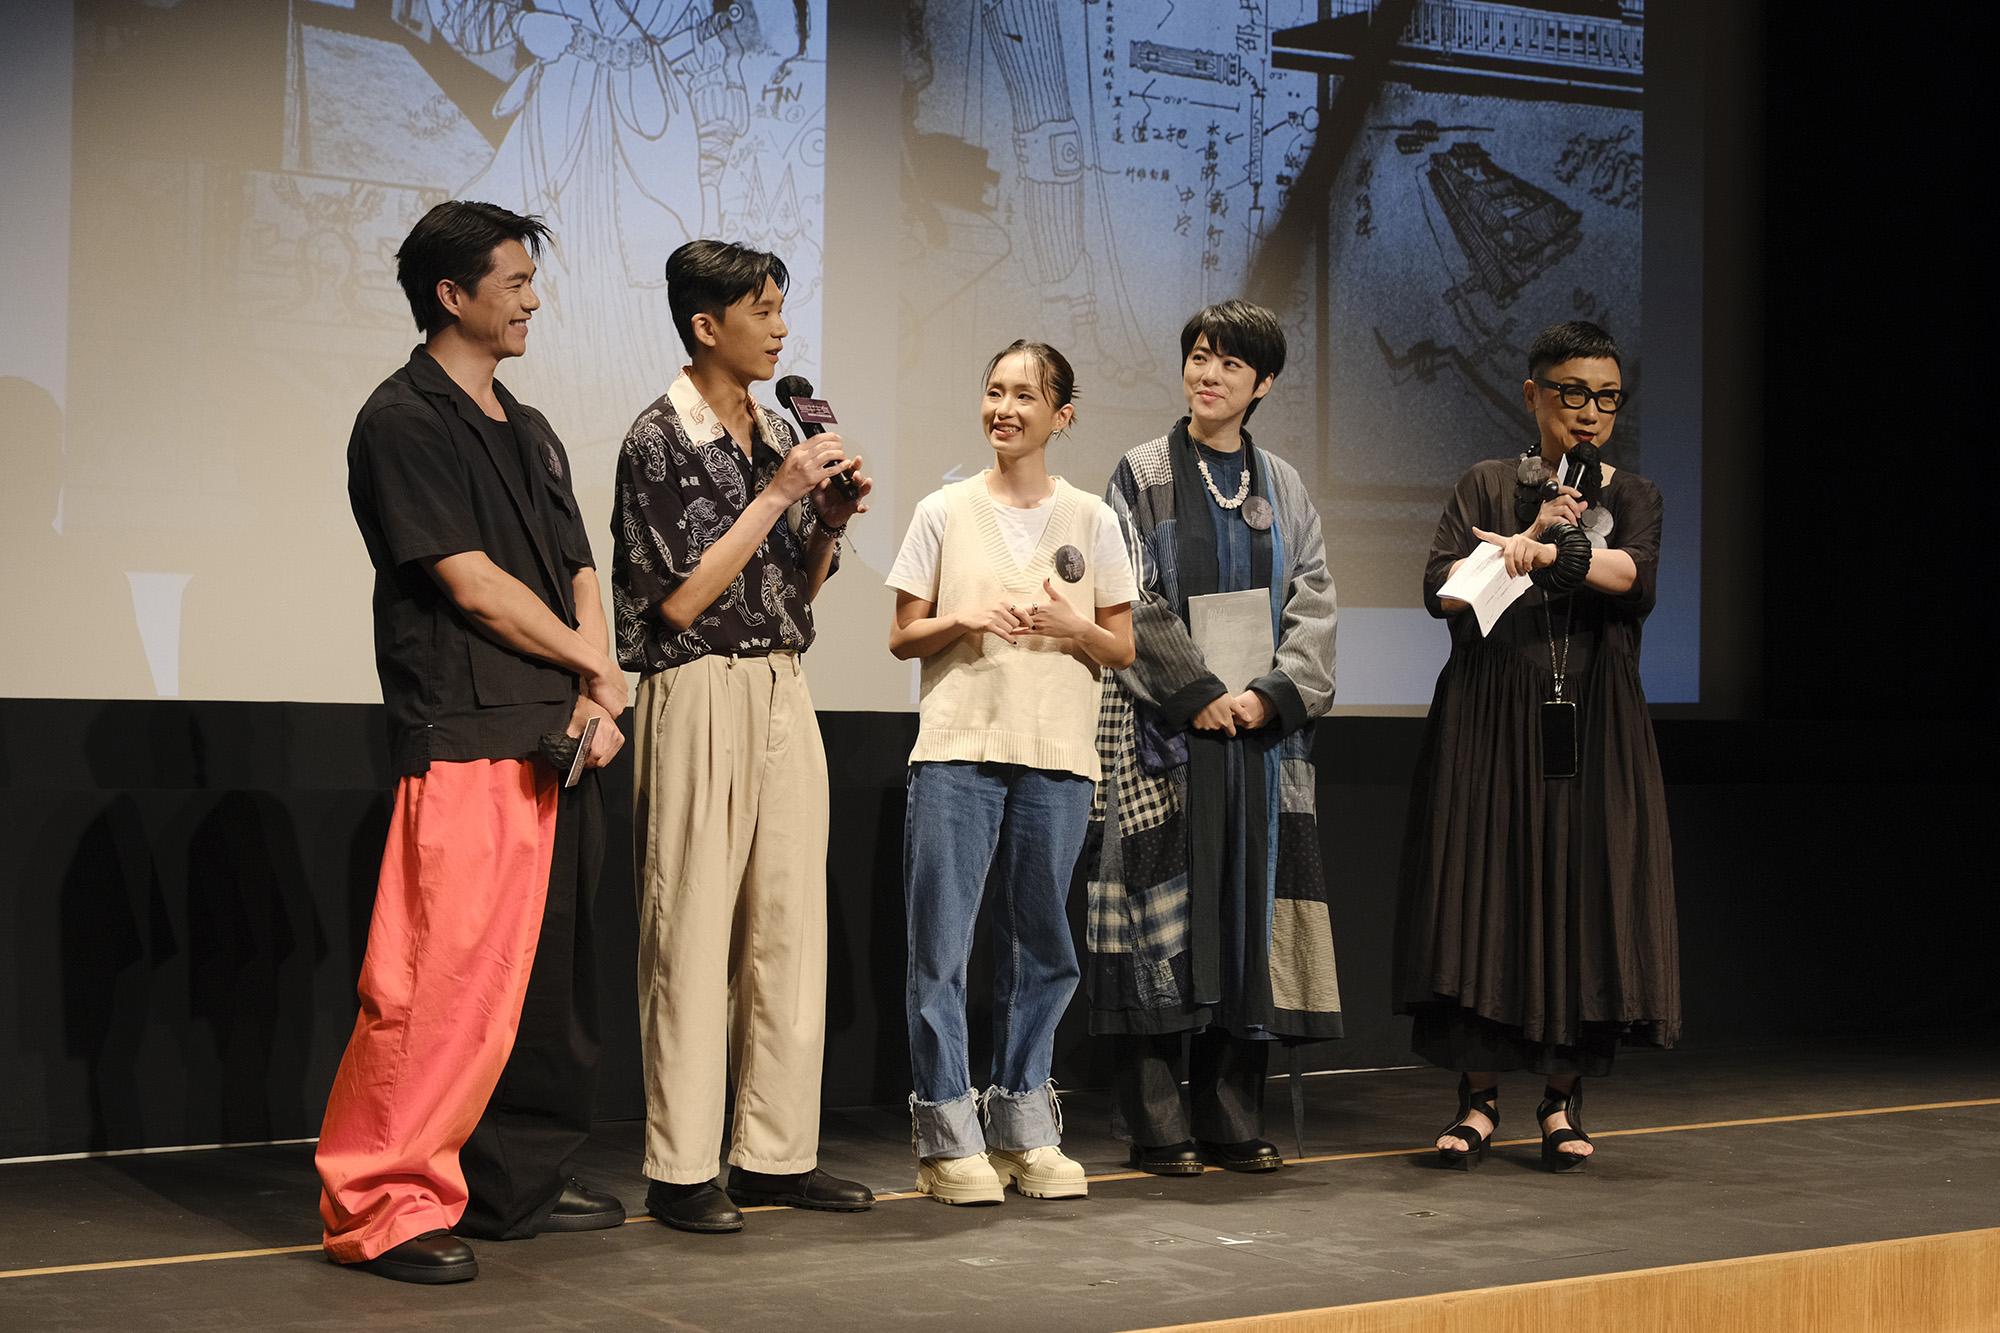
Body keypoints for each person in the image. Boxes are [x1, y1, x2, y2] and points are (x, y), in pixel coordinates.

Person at [318, 200, 628, 1285]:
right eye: (515, 281)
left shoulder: (530, 427)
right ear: (452, 295)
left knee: (540, 989)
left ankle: (509, 1183)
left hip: (557, 732)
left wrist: (596, 687)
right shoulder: (402, 420)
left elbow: (577, 566)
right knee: (436, 984)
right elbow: (470, 582)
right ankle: (380, 1203)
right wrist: (594, 669)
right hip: (464, 728)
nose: (533, 298)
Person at [611, 239, 874, 1234]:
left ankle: (773, 1154)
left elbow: (790, 591)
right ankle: (681, 1166)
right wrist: (779, 495)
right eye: (761, 309)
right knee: (689, 924)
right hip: (695, 687)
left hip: (779, 681)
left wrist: (827, 522)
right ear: (704, 324)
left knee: (787, 923)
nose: (779, 328)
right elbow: (678, 603)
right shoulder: (658, 439)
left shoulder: (775, 432)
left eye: (780, 307)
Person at [1394, 319, 1680, 1172]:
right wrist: (1508, 555)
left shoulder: (1635, 495)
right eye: (1572, 393)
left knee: (1580, 890)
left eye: (1607, 398)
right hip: (1490, 712)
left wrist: (1556, 548)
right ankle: (1478, 1098)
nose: (1590, 413)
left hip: (1593, 717)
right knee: (1487, 888)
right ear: (1533, 394)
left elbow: (1634, 578)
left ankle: (1561, 1098)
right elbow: (1442, 591)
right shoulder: (1486, 484)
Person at [1085, 300, 1343, 1177]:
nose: (1209, 374)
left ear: (1262, 382)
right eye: (1200, 355)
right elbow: (1127, 592)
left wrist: (1268, 698)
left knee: (1245, 917)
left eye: (1231, 363)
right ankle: (1158, 1124)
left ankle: (1233, 1115)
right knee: (1158, 921)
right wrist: (1196, 693)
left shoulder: (1285, 484)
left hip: (1260, 745)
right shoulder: (1143, 473)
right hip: (1164, 732)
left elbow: (1314, 600)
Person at [886, 341, 1137, 1205]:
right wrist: (964, 616)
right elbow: (902, 634)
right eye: (994, 390)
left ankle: (1025, 1125)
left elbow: (1121, 647)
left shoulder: (1093, 519)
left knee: (1043, 947)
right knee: (941, 947)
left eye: (1025, 395)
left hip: (1056, 753)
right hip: (957, 748)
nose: (1005, 408)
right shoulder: (944, 510)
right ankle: (947, 1136)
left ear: (1061, 415)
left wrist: (1073, 627)